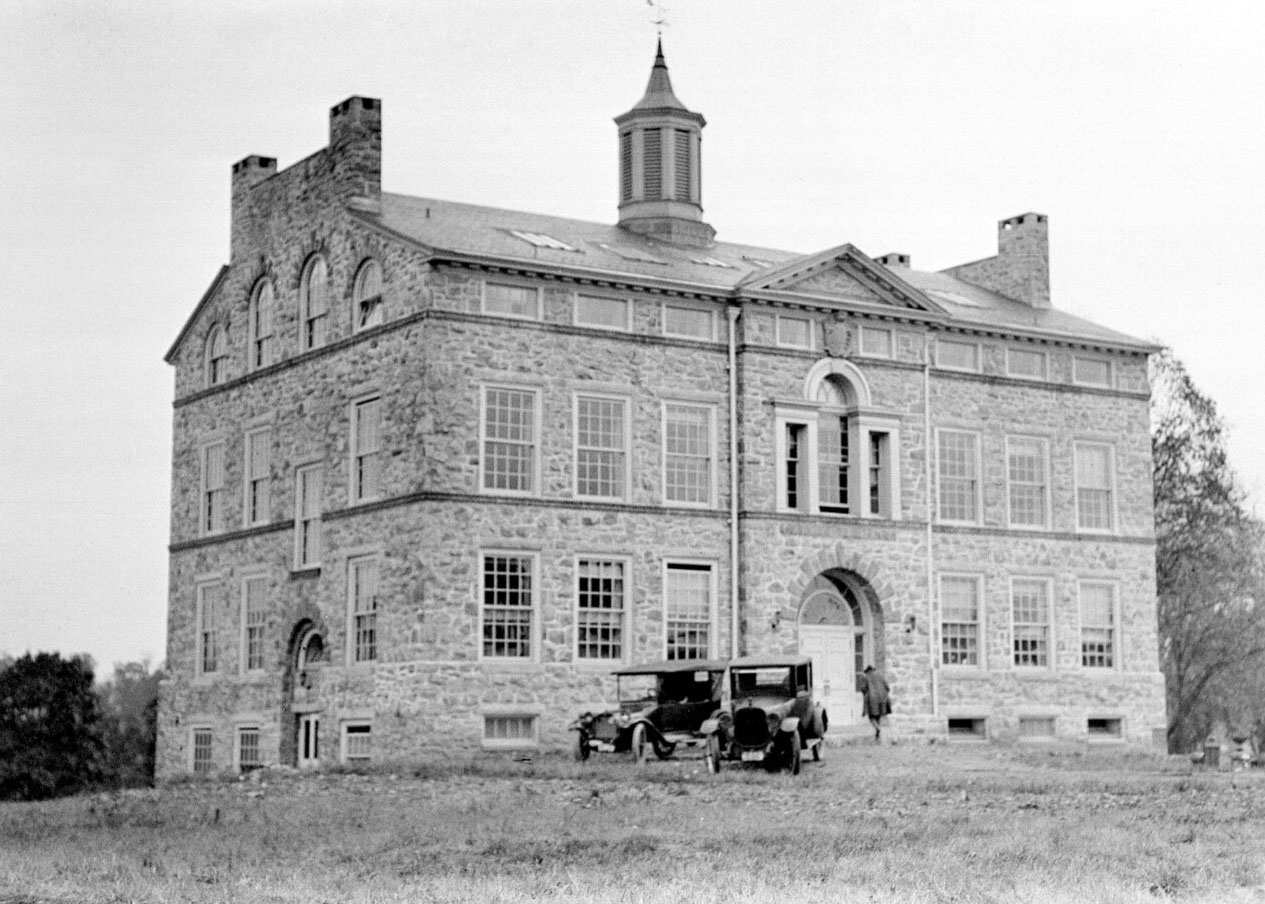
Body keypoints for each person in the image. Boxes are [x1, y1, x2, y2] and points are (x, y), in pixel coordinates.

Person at [858, 665, 891, 743]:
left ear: (867, 671)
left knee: (871, 717)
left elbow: (863, 689)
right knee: (878, 716)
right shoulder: (880, 675)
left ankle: (878, 729)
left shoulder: (866, 677)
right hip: (883, 698)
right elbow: (887, 688)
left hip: (872, 699)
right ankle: (877, 737)